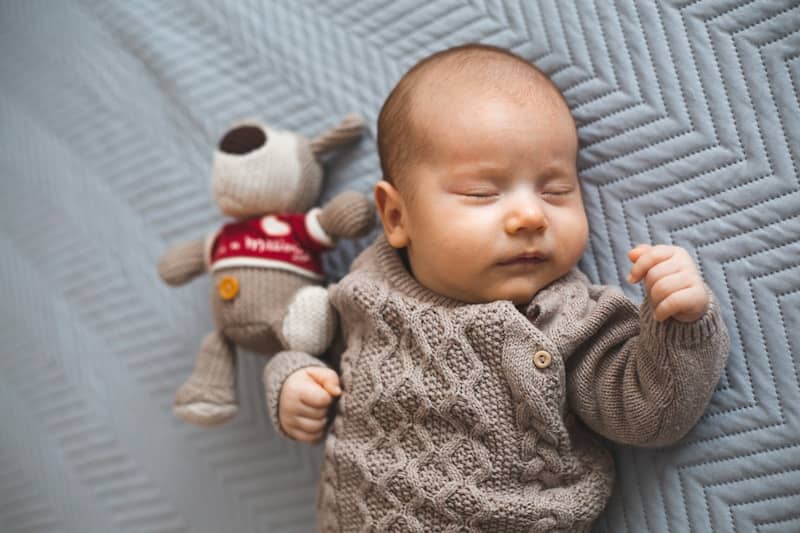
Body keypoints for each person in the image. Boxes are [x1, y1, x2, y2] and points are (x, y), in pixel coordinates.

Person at [262, 43, 729, 532]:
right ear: (397, 216)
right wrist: (292, 383)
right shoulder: (363, 289)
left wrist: (678, 324)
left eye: (556, 190)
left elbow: (648, 414)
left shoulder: (568, 316)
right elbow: (315, 358)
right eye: (482, 193)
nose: (531, 215)